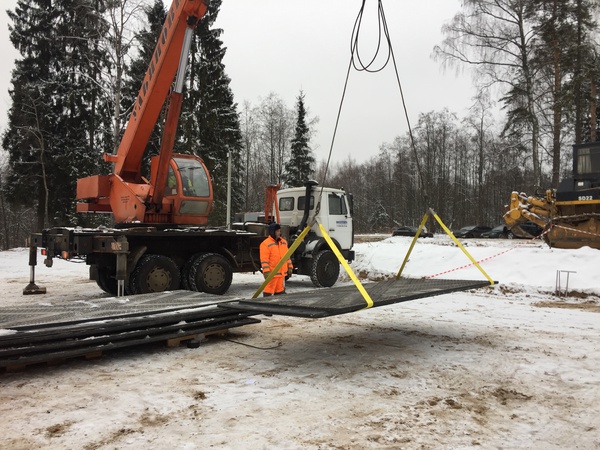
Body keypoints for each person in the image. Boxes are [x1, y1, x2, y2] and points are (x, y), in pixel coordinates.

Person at [259, 222, 293, 296]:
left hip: (281, 274)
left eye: (279, 231)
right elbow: (264, 260)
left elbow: (287, 257)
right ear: (272, 232)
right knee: (268, 292)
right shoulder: (265, 244)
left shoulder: (284, 242)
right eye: (277, 231)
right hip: (272, 275)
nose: (279, 232)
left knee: (280, 293)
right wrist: (266, 272)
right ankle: (266, 305)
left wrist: (290, 267)